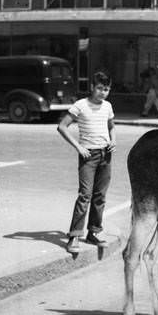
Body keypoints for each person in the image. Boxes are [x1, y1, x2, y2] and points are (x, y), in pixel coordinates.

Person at [57, 71, 116, 254]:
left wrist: (113, 140)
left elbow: (111, 127)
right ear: (92, 87)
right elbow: (62, 127)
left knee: (100, 196)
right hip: (88, 156)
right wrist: (78, 147)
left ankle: (94, 232)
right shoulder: (80, 105)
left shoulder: (107, 106)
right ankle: (74, 235)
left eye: (106, 89)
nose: (102, 92)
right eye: (99, 88)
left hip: (106, 155)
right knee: (85, 196)